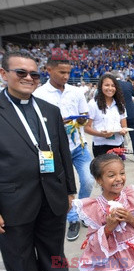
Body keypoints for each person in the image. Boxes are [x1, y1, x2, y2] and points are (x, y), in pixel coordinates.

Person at [0, 51, 83, 271]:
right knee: (19, 247)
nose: (28, 78)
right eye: (21, 73)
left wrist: (70, 188)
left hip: (52, 191)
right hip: (12, 196)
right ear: (4, 75)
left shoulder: (49, 110)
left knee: (52, 241)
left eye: (34, 74)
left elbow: (62, 152)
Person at [34, 57, 94, 242]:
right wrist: (57, 123)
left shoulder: (75, 92)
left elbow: (84, 115)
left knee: (88, 180)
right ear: (48, 70)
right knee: (63, 188)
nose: (66, 76)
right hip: (54, 151)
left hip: (78, 145)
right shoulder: (39, 94)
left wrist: (81, 120)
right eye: (62, 72)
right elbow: (36, 122)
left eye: (68, 72)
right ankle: (73, 219)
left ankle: (79, 212)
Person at [84, 73, 128, 157]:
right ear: (101, 87)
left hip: (118, 145)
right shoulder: (93, 104)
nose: (110, 88)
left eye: (113, 85)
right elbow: (86, 128)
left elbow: (124, 126)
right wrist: (101, 134)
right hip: (101, 146)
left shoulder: (120, 104)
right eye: (107, 85)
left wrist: (123, 131)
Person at [116, 73, 134, 163]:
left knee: (119, 136)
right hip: (131, 112)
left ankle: (120, 155)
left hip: (120, 113)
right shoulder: (127, 84)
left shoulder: (113, 85)